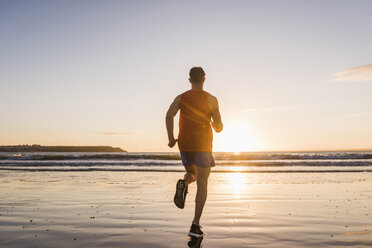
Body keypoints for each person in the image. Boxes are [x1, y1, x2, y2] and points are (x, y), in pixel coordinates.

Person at [165, 66, 223, 237]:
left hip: (185, 144)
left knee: (192, 174)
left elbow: (169, 116)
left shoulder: (181, 97)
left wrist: (171, 138)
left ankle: (184, 183)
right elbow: (219, 128)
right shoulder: (212, 99)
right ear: (204, 79)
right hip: (204, 145)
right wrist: (215, 124)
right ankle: (195, 224)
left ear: (189, 80)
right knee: (202, 183)